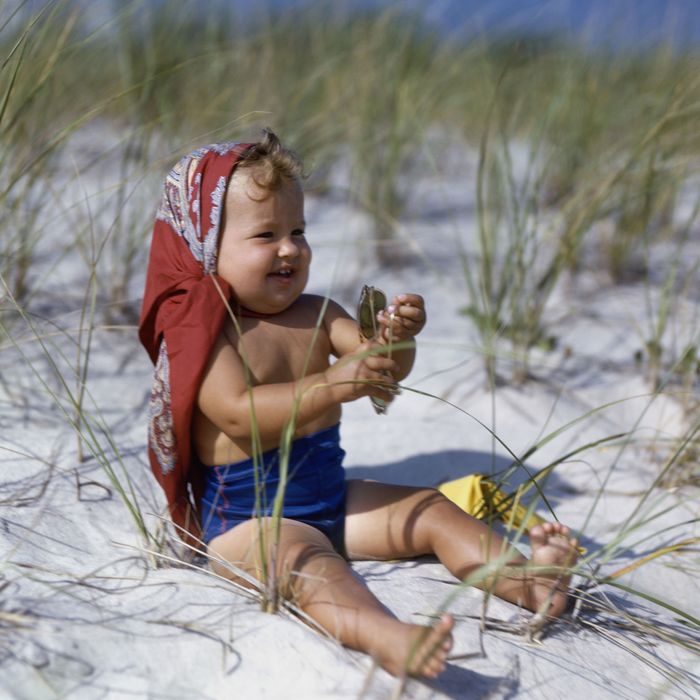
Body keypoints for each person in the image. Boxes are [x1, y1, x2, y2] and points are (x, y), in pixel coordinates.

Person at [139, 129, 578, 679]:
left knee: (432, 511)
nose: (289, 248)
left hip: (328, 498)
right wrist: (335, 384)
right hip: (249, 522)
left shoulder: (319, 312)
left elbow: (382, 375)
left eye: (298, 230)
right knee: (311, 566)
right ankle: (385, 635)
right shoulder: (207, 331)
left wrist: (398, 340)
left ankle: (530, 582)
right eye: (265, 233)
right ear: (204, 244)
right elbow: (235, 413)